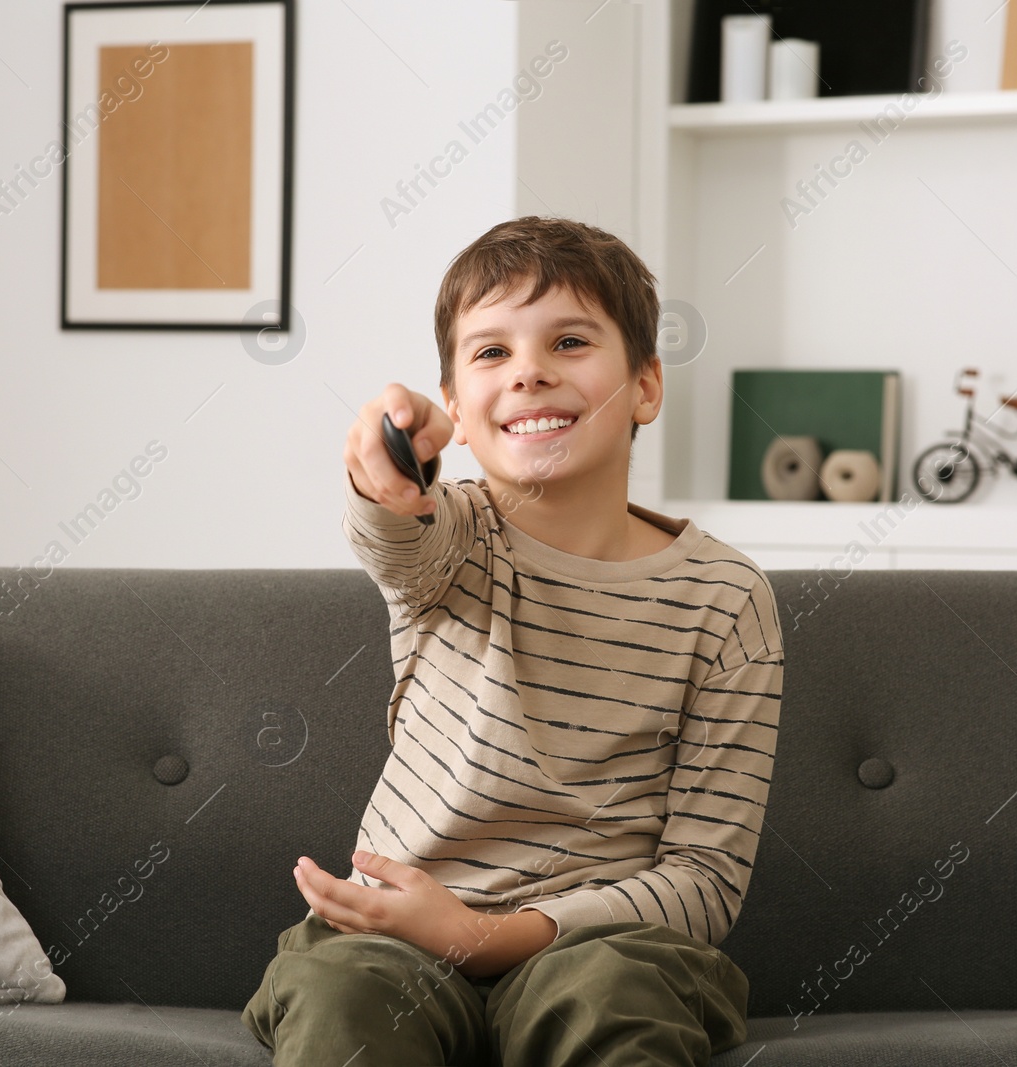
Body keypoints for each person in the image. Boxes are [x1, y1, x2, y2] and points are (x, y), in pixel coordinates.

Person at [241, 215, 784, 1066]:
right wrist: (384, 465)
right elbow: (392, 529)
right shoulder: (454, 537)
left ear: (645, 386)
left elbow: (704, 880)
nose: (529, 371)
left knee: (616, 997)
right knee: (341, 993)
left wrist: (490, 936)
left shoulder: (725, 598)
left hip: (602, 945)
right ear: (456, 409)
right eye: (491, 353)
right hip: (397, 934)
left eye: (569, 341)